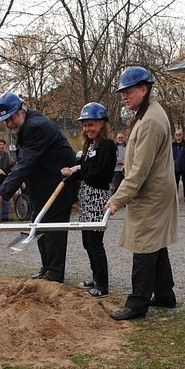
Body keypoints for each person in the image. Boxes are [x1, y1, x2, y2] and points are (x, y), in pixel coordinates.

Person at [105, 66, 178, 321]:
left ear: (144, 89)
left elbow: (138, 172)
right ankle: (165, 295)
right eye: (122, 92)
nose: (124, 96)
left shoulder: (150, 121)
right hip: (155, 191)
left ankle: (137, 304)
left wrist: (117, 200)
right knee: (155, 244)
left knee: (144, 246)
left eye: (128, 91)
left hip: (152, 195)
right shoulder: (147, 113)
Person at [0, 92, 77, 282]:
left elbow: (25, 163)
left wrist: (2, 193)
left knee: (53, 230)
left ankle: (54, 273)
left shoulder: (36, 127)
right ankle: (47, 268)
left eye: (12, 118)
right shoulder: (27, 125)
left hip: (58, 186)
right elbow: (24, 162)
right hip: (42, 187)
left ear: (21, 111)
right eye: (5, 121)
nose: (10, 124)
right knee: (39, 227)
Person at [61, 102, 116, 297]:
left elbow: (98, 173)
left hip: (97, 198)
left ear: (102, 123)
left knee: (95, 242)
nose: (87, 129)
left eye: (91, 124)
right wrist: (72, 170)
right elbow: (84, 168)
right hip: (86, 198)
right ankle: (96, 277)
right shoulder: (88, 146)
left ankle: (102, 284)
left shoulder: (108, 146)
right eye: (85, 125)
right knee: (86, 242)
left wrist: (79, 170)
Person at [172, 130, 185, 204]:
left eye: (180, 134)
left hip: (184, 166)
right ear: (174, 136)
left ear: (182, 135)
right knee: (175, 183)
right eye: (176, 134)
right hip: (175, 166)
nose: (178, 136)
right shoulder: (172, 144)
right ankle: (175, 198)